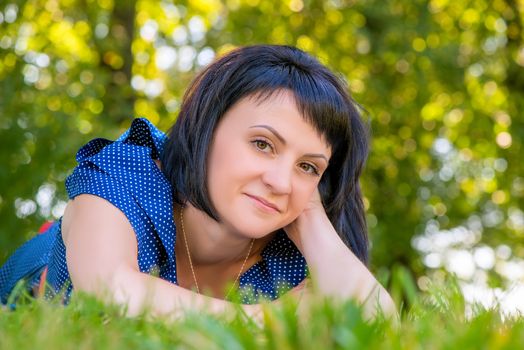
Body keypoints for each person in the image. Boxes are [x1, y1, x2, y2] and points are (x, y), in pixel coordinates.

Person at [0, 45, 395, 319]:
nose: (280, 181)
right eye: (263, 144)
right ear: (205, 128)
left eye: (308, 166)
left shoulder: (291, 250)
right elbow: (111, 291)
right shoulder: (126, 172)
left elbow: (375, 321)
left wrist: (310, 216)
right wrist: (266, 322)